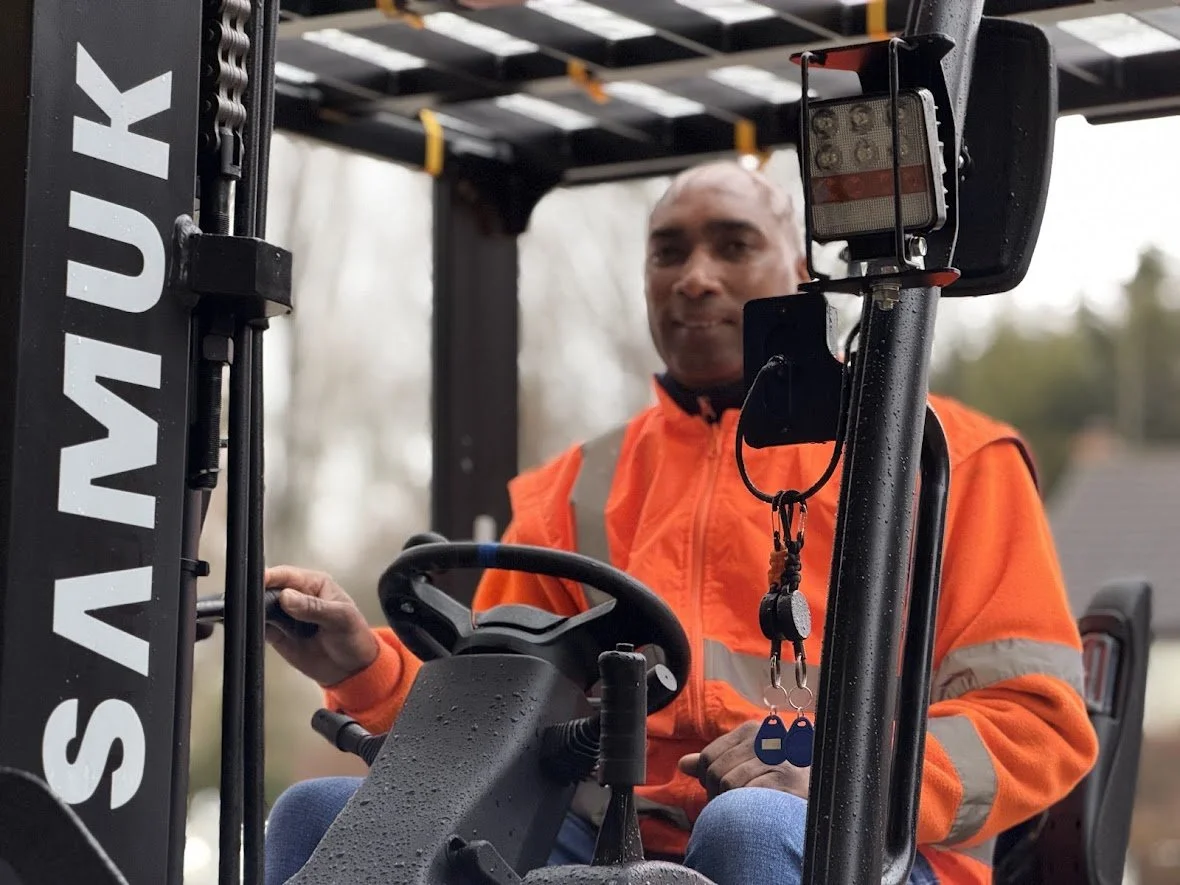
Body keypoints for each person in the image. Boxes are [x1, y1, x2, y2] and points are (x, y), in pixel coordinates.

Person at [261, 161, 1098, 885]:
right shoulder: (575, 488)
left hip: (872, 842)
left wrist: (836, 771)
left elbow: (1040, 720)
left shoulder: (940, 457)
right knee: (322, 813)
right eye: (669, 251)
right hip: (610, 834)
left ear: (801, 270)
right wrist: (365, 668)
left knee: (748, 828)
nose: (694, 276)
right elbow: (492, 723)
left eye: (733, 245)